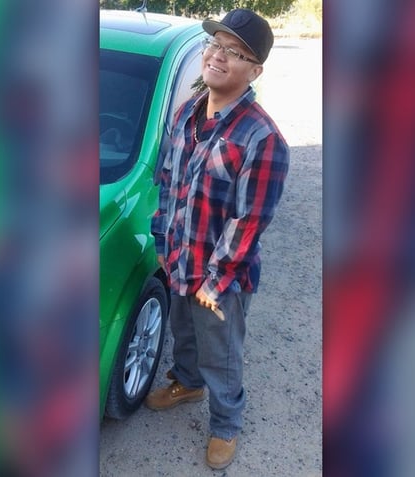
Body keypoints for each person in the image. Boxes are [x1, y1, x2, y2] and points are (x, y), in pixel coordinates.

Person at [146, 8, 289, 470]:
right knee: (183, 334)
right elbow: (167, 182)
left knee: (222, 354)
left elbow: (249, 221)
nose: (219, 56)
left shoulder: (262, 138)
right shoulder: (188, 113)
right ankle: (186, 382)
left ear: (255, 70)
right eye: (216, 45)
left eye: (236, 52)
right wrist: (164, 245)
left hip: (220, 281)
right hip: (179, 260)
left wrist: (216, 279)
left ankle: (226, 424)